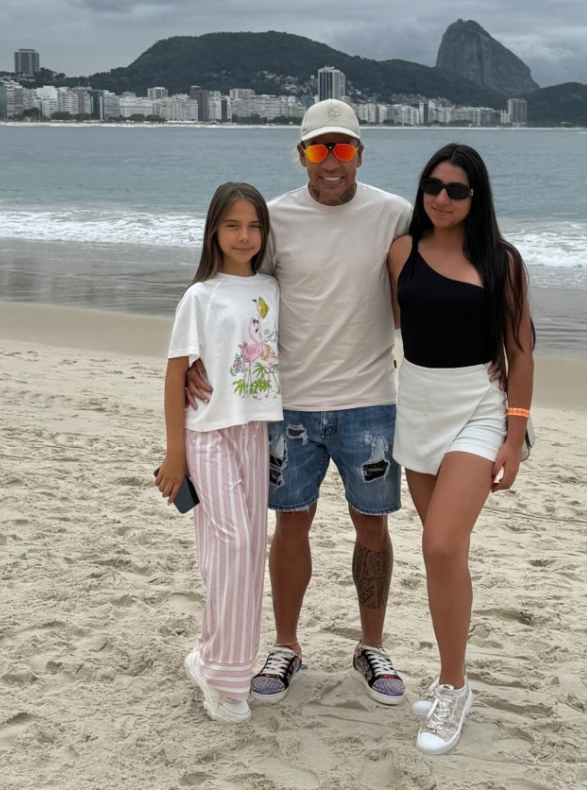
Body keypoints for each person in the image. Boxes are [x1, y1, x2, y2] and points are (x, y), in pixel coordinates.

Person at [185, 100, 413, 706]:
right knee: (291, 524)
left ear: (361, 153)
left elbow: (441, 279)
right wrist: (196, 359)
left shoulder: (394, 213)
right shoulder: (276, 218)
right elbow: (234, 290)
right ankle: (286, 645)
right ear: (302, 154)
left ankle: (371, 646)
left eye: (343, 148)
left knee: (373, 527)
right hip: (290, 404)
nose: (331, 161)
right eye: (319, 148)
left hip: (371, 400)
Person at [387, 143, 535, 755]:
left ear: (477, 197)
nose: (442, 199)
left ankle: (453, 686)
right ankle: (452, 673)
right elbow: (392, 323)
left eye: (457, 190)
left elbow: (521, 350)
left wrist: (515, 436)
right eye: (433, 186)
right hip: (417, 406)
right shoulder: (401, 252)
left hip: (478, 408)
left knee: (442, 544)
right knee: (444, 556)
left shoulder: (502, 261)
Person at [156, 182, 282, 723]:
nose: (244, 236)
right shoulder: (199, 296)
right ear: (214, 230)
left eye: (254, 226)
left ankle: (213, 657)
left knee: (248, 553)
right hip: (206, 432)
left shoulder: (272, 287)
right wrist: (175, 454)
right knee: (232, 544)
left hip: (254, 432)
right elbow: (175, 375)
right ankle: (225, 680)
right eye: (233, 225)